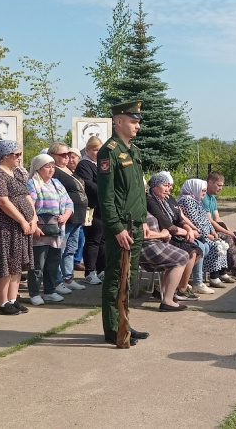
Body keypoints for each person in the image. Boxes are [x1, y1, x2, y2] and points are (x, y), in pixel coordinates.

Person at [97, 101, 150, 346]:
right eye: (133, 121)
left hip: (136, 224)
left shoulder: (133, 151)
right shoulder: (109, 151)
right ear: (118, 121)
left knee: (130, 279)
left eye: (138, 121)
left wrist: (144, 219)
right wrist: (117, 227)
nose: (137, 125)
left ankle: (124, 323)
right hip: (122, 227)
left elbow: (138, 190)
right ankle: (113, 329)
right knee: (116, 277)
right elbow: (106, 196)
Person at [0, 140, 37, 315]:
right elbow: (2, 200)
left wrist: (33, 217)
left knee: (17, 263)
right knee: (5, 263)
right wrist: (22, 220)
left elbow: (27, 196)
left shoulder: (18, 173)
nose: (20, 158)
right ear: (5, 156)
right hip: (5, 225)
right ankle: (3, 302)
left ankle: (13, 299)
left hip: (22, 225)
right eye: (17, 154)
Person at [146, 171, 202, 300]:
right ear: (155, 186)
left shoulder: (168, 199)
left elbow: (179, 218)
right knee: (190, 252)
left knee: (197, 251)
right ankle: (181, 289)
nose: (169, 188)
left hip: (177, 234)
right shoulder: (150, 200)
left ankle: (164, 288)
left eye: (169, 186)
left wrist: (187, 228)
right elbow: (167, 225)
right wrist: (189, 232)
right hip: (163, 238)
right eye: (166, 185)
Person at [27, 154, 73, 305]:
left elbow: (68, 202)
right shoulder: (32, 183)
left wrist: (66, 215)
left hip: (57, 231)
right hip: (40, 230)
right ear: (38, 168)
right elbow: (28, 206)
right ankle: (34, 293)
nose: (51, 170)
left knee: (53, 263)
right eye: (47, 166)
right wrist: (33, 225)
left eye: (53, 166)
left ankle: (49, 291)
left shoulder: (57, 183)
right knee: (38, 265)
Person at [48, 142, 87, 294]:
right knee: (61, 249)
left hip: (76, 215)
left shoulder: (69, 170)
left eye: (68, 154)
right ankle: (57, 281)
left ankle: (68, 278)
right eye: (63, 154)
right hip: (65, 217)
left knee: (71, 248)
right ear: (53, 156)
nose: (67, 157)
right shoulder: (55, 172)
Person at [203, 171, 236, 281]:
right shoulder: (204, 197)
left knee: (233, 236)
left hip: (213, 229)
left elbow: (218, 219)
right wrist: (228, 233)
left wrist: (230, 230)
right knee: (228, 238)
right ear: (211, 182)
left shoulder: (212, 198)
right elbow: (210, 221)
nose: (221, 188)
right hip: (206, 231)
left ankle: (229, 268)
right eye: (219, 185)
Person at [178, 179, 229, 288]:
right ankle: (210, 278)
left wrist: (213, 231)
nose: (204, 193)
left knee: (221, 243)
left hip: (203, 233)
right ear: (195, 189)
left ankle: (220, 273)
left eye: (205, 191)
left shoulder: (197, 200)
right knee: (213, 246)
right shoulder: (187, 200)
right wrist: (207, 235)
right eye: (202, 190)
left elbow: (206, 219)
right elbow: (194, 221)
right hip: (195, 234)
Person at [142, 213, 188, 311]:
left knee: (182, 255)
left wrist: (165, 234)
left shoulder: (144, 207)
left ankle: (161, 290)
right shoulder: (135, 208)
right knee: (181, 257)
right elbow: (141, 234)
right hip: (146, 247)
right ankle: (167, 300)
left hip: (156, 243)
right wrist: (162, 234)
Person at [74, 137, 105, 285]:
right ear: (88, 150)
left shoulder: (102, 164)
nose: (98, 152)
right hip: (92, 206)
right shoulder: (84, 164)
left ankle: (102, 269)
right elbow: (87, 183)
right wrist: (105, 191)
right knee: (93, 239)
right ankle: (90, 271)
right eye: (95, 150)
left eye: (100, 149)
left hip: (103, 206)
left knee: (102, 239)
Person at [67, 148, 86, 271]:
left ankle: (77, 261)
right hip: (69, 213)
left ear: (79, 158)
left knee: (81, 237)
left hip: (82, 211)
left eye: (74, 157)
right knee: (70, 241)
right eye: (69, 157)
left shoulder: (80, 173)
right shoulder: (65, 173)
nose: (71, 159)